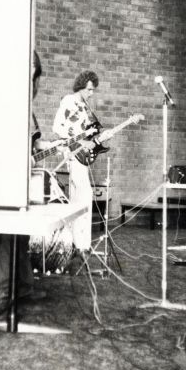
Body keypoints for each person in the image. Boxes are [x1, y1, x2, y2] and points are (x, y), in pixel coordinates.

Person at [0, 51, 62, 305]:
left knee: (21, 234)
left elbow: (32, 142)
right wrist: (20, 160)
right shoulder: (8, 101)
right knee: (9, 234)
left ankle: (22, 286)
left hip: (22, 177)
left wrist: (52, 146)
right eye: (27, 73)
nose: (30, 80)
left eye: (33, 75)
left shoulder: (26, 108)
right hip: (8, 175)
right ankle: (0, 291)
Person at [52, 70, 112, 251]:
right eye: (89, 89)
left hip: (81, 154)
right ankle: (81, 244)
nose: (91, 93)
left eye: (93, 90)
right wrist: (80, 142)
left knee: (78, 197)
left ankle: (76, 242)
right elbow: (58, 128)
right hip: (73, 153)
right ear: (80, 86)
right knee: (84, 194)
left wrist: (101, 137)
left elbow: (88, 134)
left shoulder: (85, 106)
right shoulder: (69, 101)